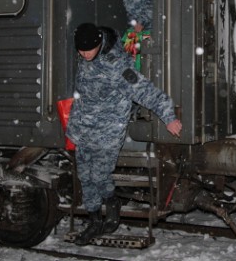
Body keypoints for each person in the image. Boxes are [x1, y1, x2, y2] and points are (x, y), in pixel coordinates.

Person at [66, 22, 182, 246]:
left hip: (107, 132)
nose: (84, 54)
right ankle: (94, 222)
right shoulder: (85, 58)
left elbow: (144, 90)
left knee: (99, 176)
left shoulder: (117, 65)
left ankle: (111, 201)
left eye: (89, 49)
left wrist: (169, 116)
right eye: (81, 50)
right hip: (84, 131)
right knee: (85, 177)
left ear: (100, 43)